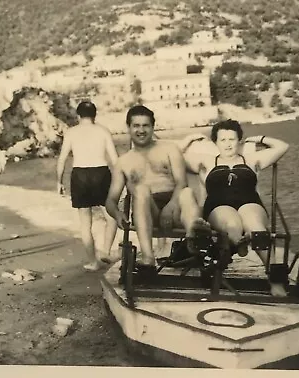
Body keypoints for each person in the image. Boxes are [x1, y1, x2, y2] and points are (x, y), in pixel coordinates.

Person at [105, 105, 211, 274]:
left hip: (175, 206)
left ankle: (194, 237)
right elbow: (110, 200)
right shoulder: (123, 162)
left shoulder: (169, 149)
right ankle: (148, 257)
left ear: (153, 127)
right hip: (147, 211)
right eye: (136, 126)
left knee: (187, 193)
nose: (141, 130)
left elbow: (181, 182)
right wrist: (117, 215)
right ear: (129, 128)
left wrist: (170, 207)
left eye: (145, 125)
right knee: (140, 190)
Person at [188, 119, 289, 296]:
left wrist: (259, 138)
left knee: (256, 227)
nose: (228, 144)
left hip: (250, 202)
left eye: (232, 139)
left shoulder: (252, 160)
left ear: (239, 141)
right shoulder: (206, 161)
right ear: (216, 143)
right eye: (223, 140)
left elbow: (283, 146)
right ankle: (241, 242)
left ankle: (275, 280)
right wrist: (191, 138)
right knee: (232, 224)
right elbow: (172, 155)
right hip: (219, 205)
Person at [56, 101, 119, 271]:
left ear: (78, 115)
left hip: (80, 174)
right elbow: (115, 159)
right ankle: (105, 250)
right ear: (95, 115)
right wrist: (122, 181)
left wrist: (59, 181)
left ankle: (93, 262)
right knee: (111, 216)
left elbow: (62, 159)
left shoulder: (71, 132)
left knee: (85, 223)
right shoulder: (103, 131)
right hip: (101, 172)